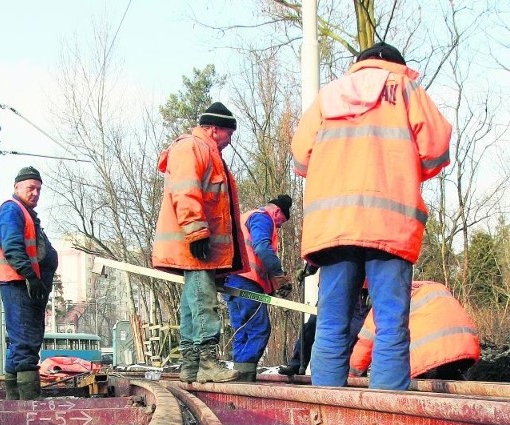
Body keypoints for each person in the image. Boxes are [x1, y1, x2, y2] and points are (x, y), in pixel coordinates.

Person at [291, 42, 452, 390]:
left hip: (333, 227)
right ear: (397, 65)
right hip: (389, 225)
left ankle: (328, 410)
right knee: (391, 321)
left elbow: (301, 159)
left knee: (332, 321)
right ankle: (388, 408)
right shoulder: (407, 90)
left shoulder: (327, 95)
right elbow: (436, 150)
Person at [152, 102, 248, 384]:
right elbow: (186, 190)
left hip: (198, 243)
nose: (230, 142)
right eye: (229, 134)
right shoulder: (193, 147)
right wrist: (196, 231)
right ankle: (207, 363)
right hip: (195, 243)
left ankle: (191, 365)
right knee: (204, 302)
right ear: (216, 129)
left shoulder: (203, 150)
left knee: (194, 302)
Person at [0, 166, 59, 400]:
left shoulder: (26, 213)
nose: (35, 193)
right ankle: (28, 403)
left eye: (39, 189)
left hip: (25, 284)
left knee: (20, 342)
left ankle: (14, 399)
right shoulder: (12, 210)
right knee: (26, 340)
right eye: (31, 188)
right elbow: (12, 245)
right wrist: (31, 275)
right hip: (20, 283)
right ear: (17, 187)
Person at [223, 195, 293, 382]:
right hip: (246, 281)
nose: (278, 227)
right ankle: (245, 377)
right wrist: (279, 276)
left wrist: (270, 287)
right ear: (277, 212)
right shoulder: (263, 218)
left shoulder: (245, 217)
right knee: (259, 329)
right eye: (281, 222)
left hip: (232, 280)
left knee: (242, 330)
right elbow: (262, 248)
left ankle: (239, 376)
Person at [350, 281, 481, 380]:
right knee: (448, 382)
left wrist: (353, 375)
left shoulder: (387, 299)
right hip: (467, 347)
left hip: (429, 355)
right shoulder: (432, 286)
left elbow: (365, 345)